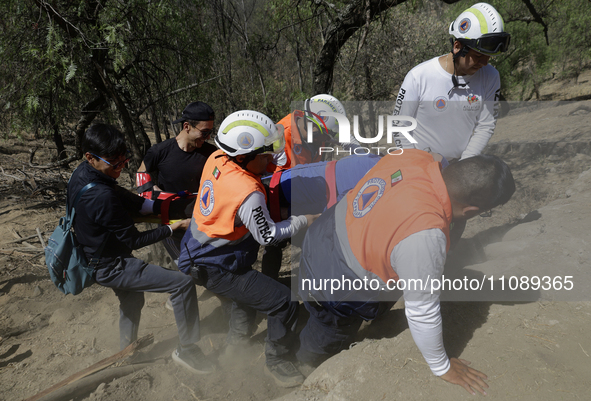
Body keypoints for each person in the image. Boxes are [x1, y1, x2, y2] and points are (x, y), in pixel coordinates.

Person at [295, 149, 515, 395]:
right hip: (334, 280)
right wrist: (441, 366)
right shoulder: (424, 233)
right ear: (472, 211)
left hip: (324, 233)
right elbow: (422, 311)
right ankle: (307, 362)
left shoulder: (415, 156)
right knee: (330, 328)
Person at [177, 110, 318, 387]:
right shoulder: (248, 192)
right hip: (214, 264)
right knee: (283, 301)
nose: (274, 156)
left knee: (247, 296)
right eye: (267, 152)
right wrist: (304, 220)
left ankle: (235, 347)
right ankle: (276, 360)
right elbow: (267, 235)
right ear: (245, 156)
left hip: (200, 251)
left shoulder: (217, 157)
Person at [69, 123, 214, 374]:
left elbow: (122, 195)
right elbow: (133, 241)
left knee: (132, 298)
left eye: (123, 161)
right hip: (112, 265)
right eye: (114, 163)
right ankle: (188, 350)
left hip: (93, 256)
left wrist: (159, 207)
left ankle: (127, 351)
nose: (120, 168)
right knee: (182, 283)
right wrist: (172, 227)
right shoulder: (101, 196)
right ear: (90, 157)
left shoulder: (83, 174)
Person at [393, 2, 510, 161]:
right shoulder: (418, 76)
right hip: (420, 166)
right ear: (457, 46)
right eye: (478, 56)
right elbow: (399, 127)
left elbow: (486, 126)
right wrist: (415, 166)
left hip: (461, 167)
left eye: (489, 57)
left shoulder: (491, 76)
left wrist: (463, 165)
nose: (484, 63)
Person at [136, 101, 217, 264]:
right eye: (204, 132)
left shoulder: (211, 153)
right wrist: (154, 192)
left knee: (207, 266)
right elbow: (141, 173)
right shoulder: (160, 151)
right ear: (187, 126)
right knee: (186, 268)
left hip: (202, 222)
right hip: (172, 224)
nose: (208, 137)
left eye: (210, 132)